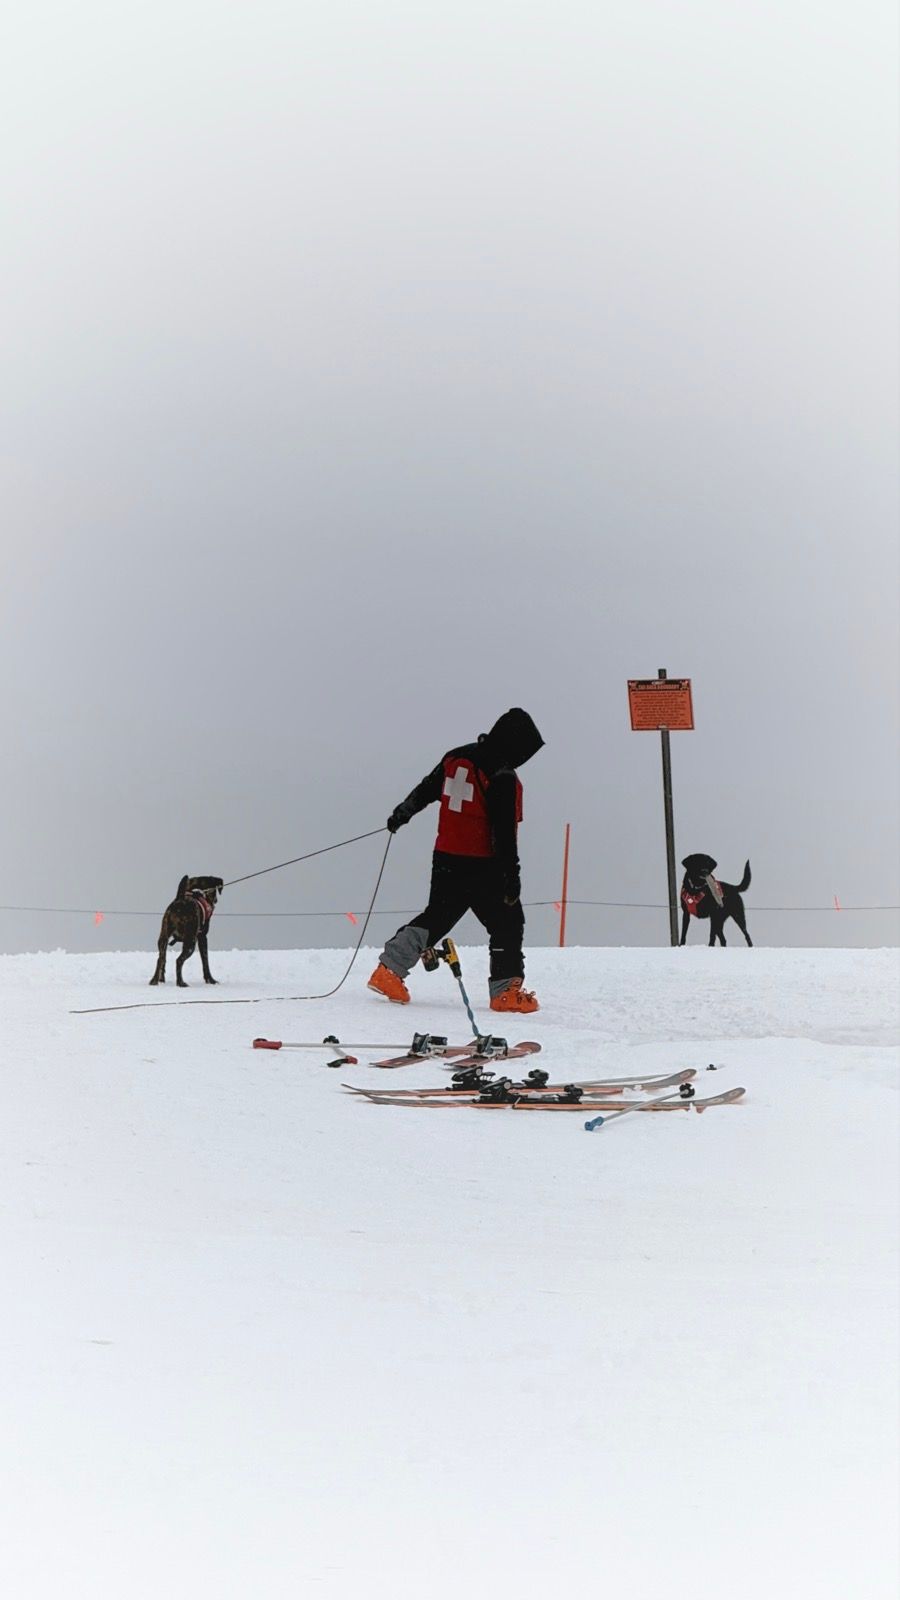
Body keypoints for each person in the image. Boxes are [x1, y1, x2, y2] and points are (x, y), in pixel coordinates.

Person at [368, 708, 545, 1012]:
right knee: (508, 922)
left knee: (438, 916)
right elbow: (504, 833)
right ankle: (505, 992)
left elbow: (427, 788)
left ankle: (388, 971)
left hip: (446, 857)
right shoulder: (501, 775)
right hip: (484, 863)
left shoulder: (456, 757)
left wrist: (402, 813)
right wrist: (511, 877)